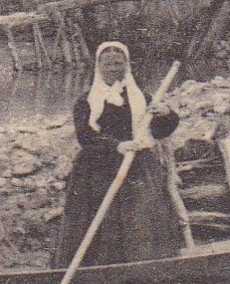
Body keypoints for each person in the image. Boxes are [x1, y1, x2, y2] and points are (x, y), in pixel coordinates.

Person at [52, 41, 184, 268]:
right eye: (108, 63)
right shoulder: (87, 101)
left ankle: (145, 268)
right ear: (98, 66)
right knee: (101, 222)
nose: (114, 68)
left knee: (141, 219)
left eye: (118, 63)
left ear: (127, 65)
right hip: (98, 170)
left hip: (137, 167)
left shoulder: (139, 96)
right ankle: (97, 271)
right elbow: (85, 137)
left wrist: (166, 114)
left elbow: (160, 131)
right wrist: (116, 146)